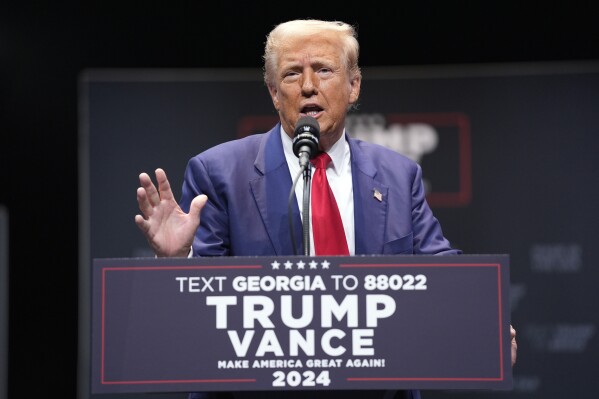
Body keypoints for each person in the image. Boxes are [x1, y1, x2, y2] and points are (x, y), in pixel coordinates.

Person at [135, 18, 517, 399]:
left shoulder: (399, 176)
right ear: (273, 92)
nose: (307, 86)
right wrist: (177, 262)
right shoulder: (219, 172)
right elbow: (203, 317)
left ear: (353, 86)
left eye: (323, 70)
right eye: (290, 74)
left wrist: (483, 322)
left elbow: (439, 270)